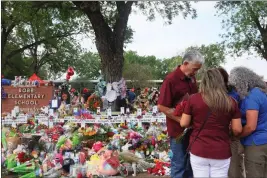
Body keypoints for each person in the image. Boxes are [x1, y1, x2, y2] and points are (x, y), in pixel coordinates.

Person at [180, 68, 242, 177]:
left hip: (199, 148)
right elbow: (237, 129)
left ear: (204, 81)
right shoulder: (231, 102)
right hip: (221, 150)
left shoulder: (193, 99)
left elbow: (183, 123)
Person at [157, 50, 204, 178]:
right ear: (186, 63)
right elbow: (161, 106)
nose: (195, 72)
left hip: (191, 130)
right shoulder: (171, 80)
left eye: (197, 70)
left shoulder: (192, 79)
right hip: (178, 131)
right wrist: (181, 120)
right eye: (194, 69)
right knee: (179, 165)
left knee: (190, 165)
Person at [229, 66, 267, 178]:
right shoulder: (261, 92)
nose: (235, 89)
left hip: (256, 143)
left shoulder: (252, 96)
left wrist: (237, 134)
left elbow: (251, 126)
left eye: (235, 85)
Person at [217, 67, 245, 178]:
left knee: (233, 167)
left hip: (232, 135)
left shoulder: (233, 96)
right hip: (219, 136)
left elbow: (240, 116)